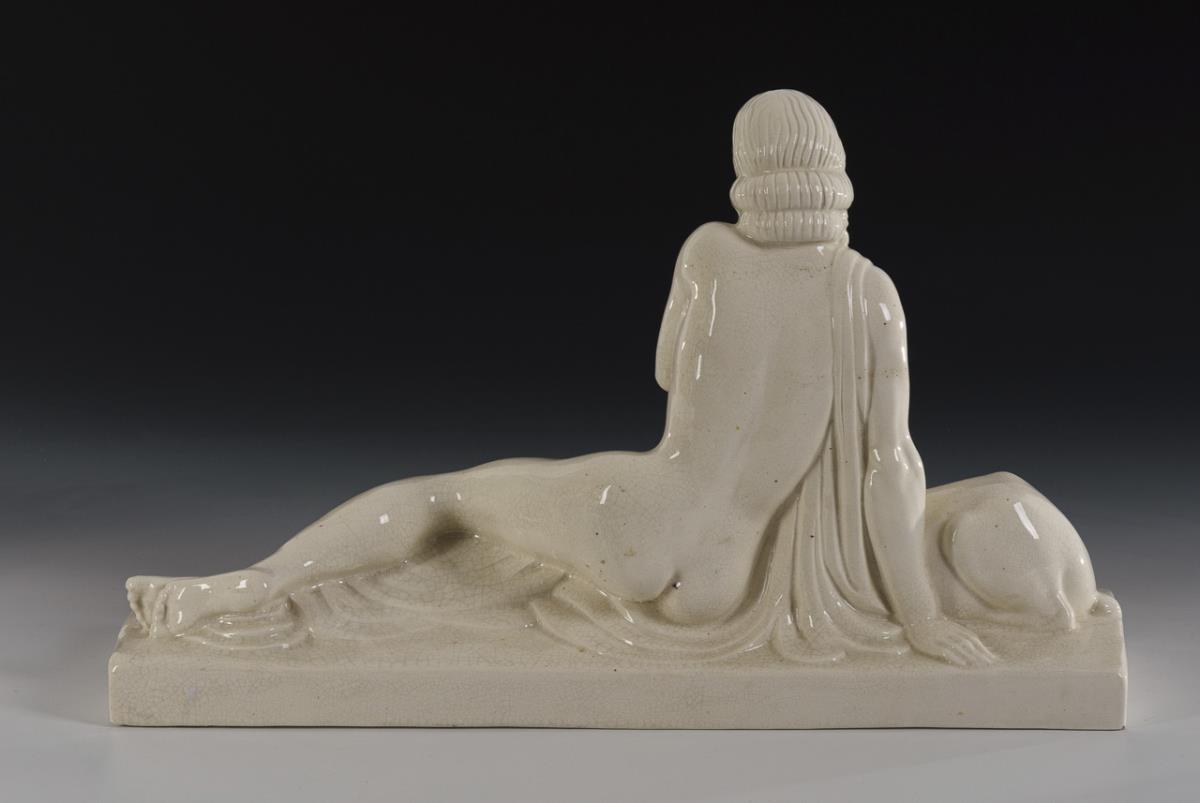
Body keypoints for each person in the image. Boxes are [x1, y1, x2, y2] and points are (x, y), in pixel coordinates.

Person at [127, 90, 1110, 667]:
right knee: (480, 545)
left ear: (750, 170)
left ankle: (251, 584)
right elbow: (892, 465)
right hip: (723, 583)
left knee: (449, 499)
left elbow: (668, 369)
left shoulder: (712, 252)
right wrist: (922, 616)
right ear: (836, 171)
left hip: (642, 519)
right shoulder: (870, 293)